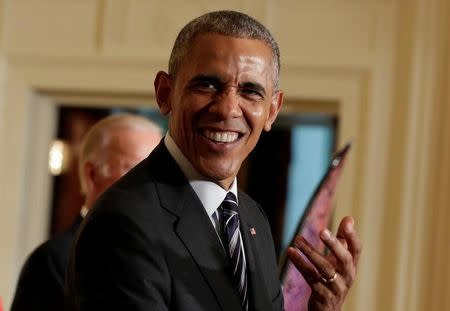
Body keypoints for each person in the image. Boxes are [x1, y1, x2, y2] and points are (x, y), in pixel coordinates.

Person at [66, 11, 361, 311]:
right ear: (165, 93)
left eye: (250, 91)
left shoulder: (252, 218)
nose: (227, 109)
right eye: (207, 85)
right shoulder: (122, 223)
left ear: (272, 110)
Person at [10, 113, 163, 311]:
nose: (151, 184)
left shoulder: (162, 252)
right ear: (92, 175)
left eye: (157, 173)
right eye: (135, 170)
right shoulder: (53, 260)